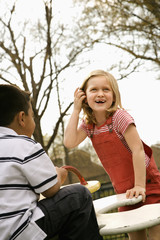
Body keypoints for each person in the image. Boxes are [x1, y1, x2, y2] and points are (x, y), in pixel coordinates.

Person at [64, 69, 160, 240]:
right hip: (123, 191)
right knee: (135, 235)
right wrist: (76, 110)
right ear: (84, 95)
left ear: (114, 95)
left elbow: (137, 150)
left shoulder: (119, 117)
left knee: (156, 231)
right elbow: (70, 142)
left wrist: (139, 186)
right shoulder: (89, 125)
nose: (100, 93)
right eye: (94, 89)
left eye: (106, 89)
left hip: (147, 183)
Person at [0, 84, 103, 240]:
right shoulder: (24, 145)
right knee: (78, 196)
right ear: (22, 118)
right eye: (32, 116)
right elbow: (50, 189)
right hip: (18, 232)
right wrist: (58, 175)